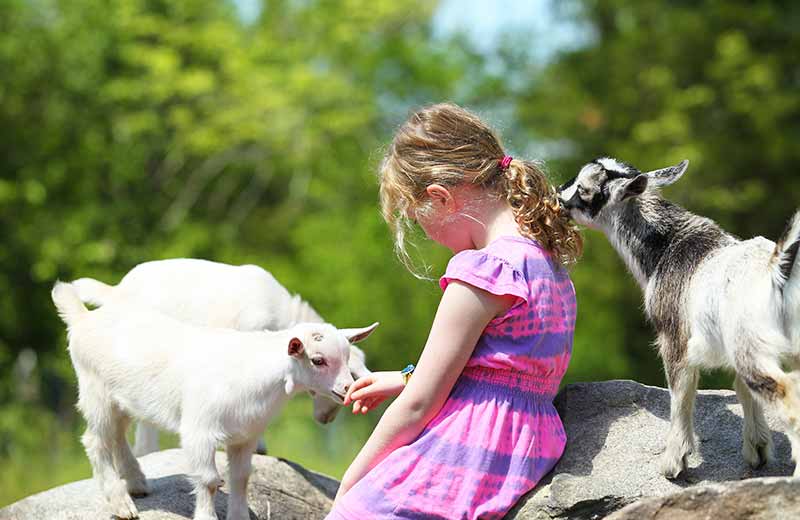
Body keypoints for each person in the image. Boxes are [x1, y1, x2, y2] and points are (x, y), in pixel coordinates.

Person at [326, 103, 582, 520]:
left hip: (470, 449)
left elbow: (419, 405)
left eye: (417, 220)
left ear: (439, 198)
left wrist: (348, 485)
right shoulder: (547, 264)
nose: (428, 235)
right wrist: (404, 377)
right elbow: (503, 367)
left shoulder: (483, 271)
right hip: (527, 443)